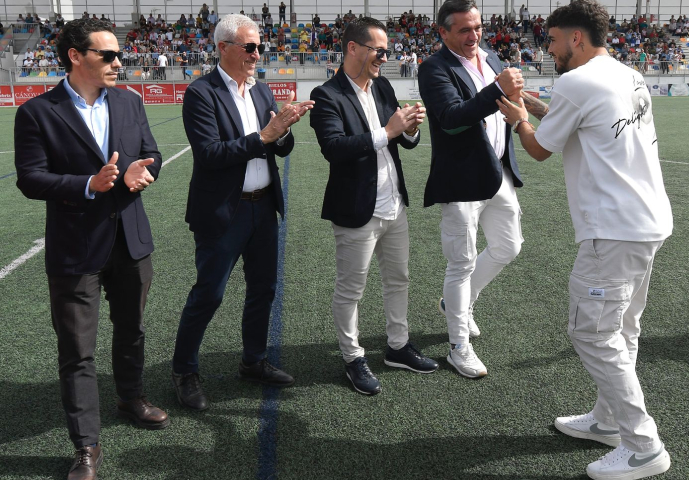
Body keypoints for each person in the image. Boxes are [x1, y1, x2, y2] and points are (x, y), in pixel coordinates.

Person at [495, 1, 673, 478]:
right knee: (622, 328)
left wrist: (517, 118)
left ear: (575, 38)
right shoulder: (628, 74)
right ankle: (608, 420)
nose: (547, 49)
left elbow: (537, 150)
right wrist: (533, 106)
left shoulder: (575, 81)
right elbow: (582, 121)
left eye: (552, 40)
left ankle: (643, 446)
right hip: (647, 221)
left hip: (613, 229)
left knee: (592, 332)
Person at [14, 18, 167, 480]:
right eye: (109, 55)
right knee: (78, 351)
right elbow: (30, 178)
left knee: (132, 329)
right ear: (76, 57)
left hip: (131, 241)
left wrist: (145, 171)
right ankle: (85, 446)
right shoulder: (37, 112)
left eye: (119, 54)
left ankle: (131, 396)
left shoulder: (128, 101)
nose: (119, 63)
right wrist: (87, 184)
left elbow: (151, 154)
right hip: (75, 249)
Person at [172, 14, 314, 411]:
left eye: (259, 47)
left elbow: (280, 148)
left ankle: (252, 362)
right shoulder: (201, 93)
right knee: (209, 294)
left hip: (263, 208)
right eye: (249, 47)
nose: (256, 54)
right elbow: (211, 155)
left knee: (263, 290)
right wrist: (265, 136)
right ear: (223, 48)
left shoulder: (262, 92)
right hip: (223, 213)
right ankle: (184, 370)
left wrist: (283, 131)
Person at [308, 17, 437, 396]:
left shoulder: (382, 87)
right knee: (351, 289)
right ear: (353, 48)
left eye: (386, 50)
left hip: (394, 204)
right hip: (355, 209)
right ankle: (353, 358)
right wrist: (390, 131)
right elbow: (334, 149)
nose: (385, 57)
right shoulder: (327, 95)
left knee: (399, 280)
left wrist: (410, 129)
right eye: (379, 50)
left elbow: (401, 140)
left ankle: (398, 346)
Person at [418, 0, 525, 379]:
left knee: (509, 247)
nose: (473, 35)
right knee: (461, 262)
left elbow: (507, 102)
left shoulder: (492, 57)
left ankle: (456, 305)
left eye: (477, 27)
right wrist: (497, 88)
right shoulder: (433, 68)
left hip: (498, 173)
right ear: (443, 32)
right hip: (462, 179)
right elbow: (450, 119)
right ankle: (458, 346)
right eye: (464, 29)